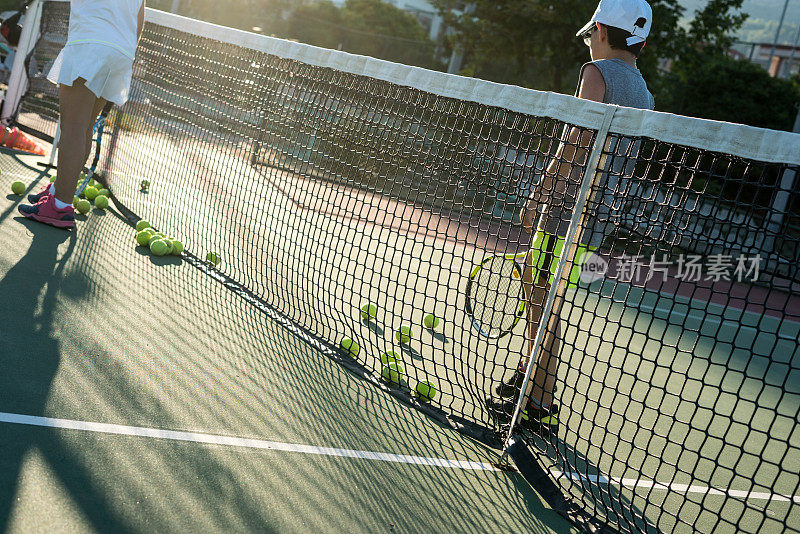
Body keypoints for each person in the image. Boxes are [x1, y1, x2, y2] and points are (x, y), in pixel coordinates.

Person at [488, 0, 655, 435]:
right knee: (546, 297)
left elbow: (576, 142)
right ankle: (533, 383)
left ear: (600, 29)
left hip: (565, 208)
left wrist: (538, 194)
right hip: (596, 217)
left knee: (541, 300)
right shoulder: (645, 94)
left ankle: (537, 399)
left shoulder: (594, 73)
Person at [19, 0, 145, 229]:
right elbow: (139, 20)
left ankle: (59, 205)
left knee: (74, 127)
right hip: (121, 52)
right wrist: (120, 52)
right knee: (85, 127)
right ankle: (59, 191)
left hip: (90, 43)